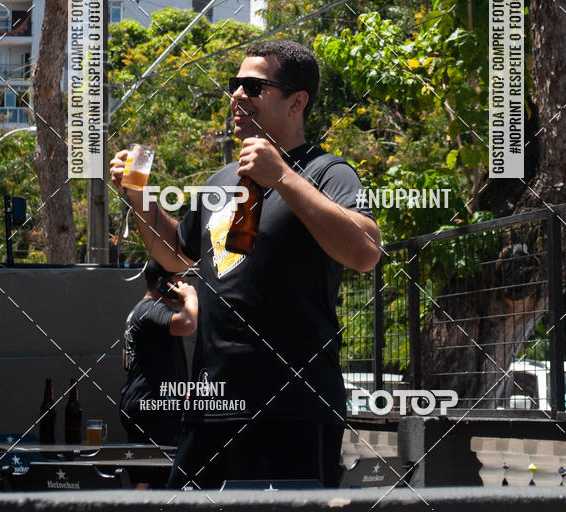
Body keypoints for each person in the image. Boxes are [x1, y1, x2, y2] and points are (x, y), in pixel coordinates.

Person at [111, 40, 381, 488]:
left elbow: (365, 253)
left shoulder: (328, 172)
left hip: (293, 406)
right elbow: (175, 255)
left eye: (253, 87)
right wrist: (141, 200)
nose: (236, 95)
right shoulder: (221, 180)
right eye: (235, 85)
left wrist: (283, 177)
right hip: (212, 402)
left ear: (297, 102)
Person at [119, 259, 198, 446]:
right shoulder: (152, 308)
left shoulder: (140, 310)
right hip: (153, 410)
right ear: (163, 283)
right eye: (179, 280)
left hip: (142, 404)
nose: (184, 285)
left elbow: (126, 360)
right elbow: (188, 324)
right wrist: (191, 298)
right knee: (162, 471)